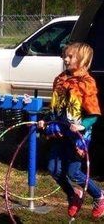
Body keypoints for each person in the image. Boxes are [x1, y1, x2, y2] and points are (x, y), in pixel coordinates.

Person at [37, 42, 104, 219]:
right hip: (59, 132)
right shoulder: (60, 79)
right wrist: (46, 120)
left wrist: (82, 125)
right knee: (53, 169)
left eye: (70, 56)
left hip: (77, 137)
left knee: (73, 172)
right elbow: (56, 107)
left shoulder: (86, 83)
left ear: (83, 60)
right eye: (64, 55)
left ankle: (99, 195)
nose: (65, 59)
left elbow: (94, 114)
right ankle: (74, 194)